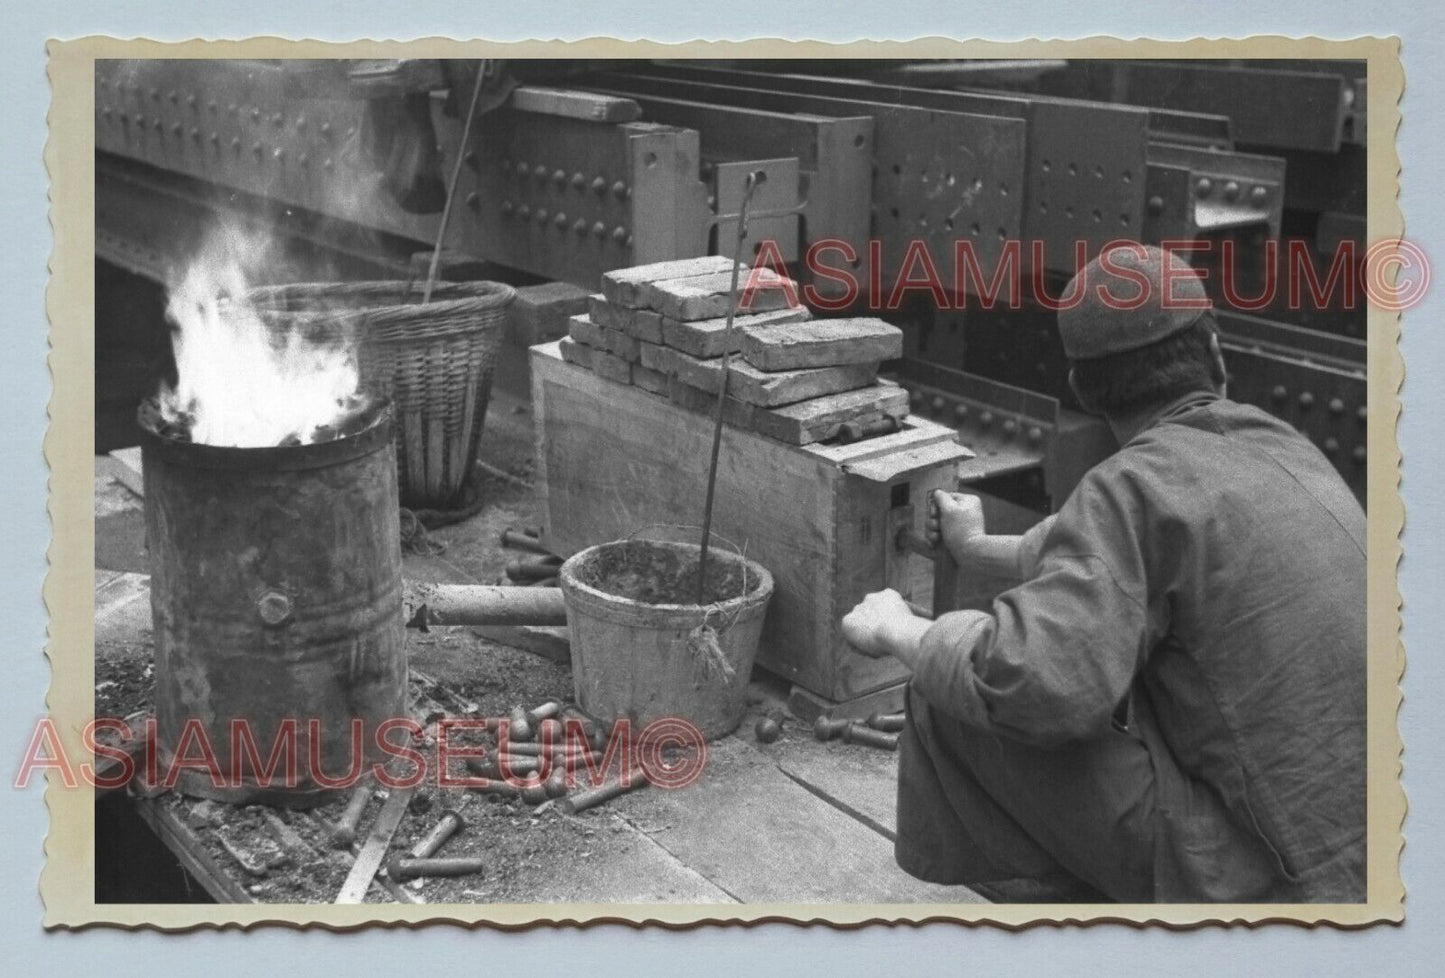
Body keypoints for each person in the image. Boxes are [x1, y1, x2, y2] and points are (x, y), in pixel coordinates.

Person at [841, 243, 1367, 902]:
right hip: (1377, 857)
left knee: (957, 679)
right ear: (1217, 352)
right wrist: (977, 548)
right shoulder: (1279, 446)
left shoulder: (1130, 490)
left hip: (1272, 886)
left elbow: (1033, 685)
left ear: (1081, 392)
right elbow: (1109, 555)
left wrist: (903, 631)